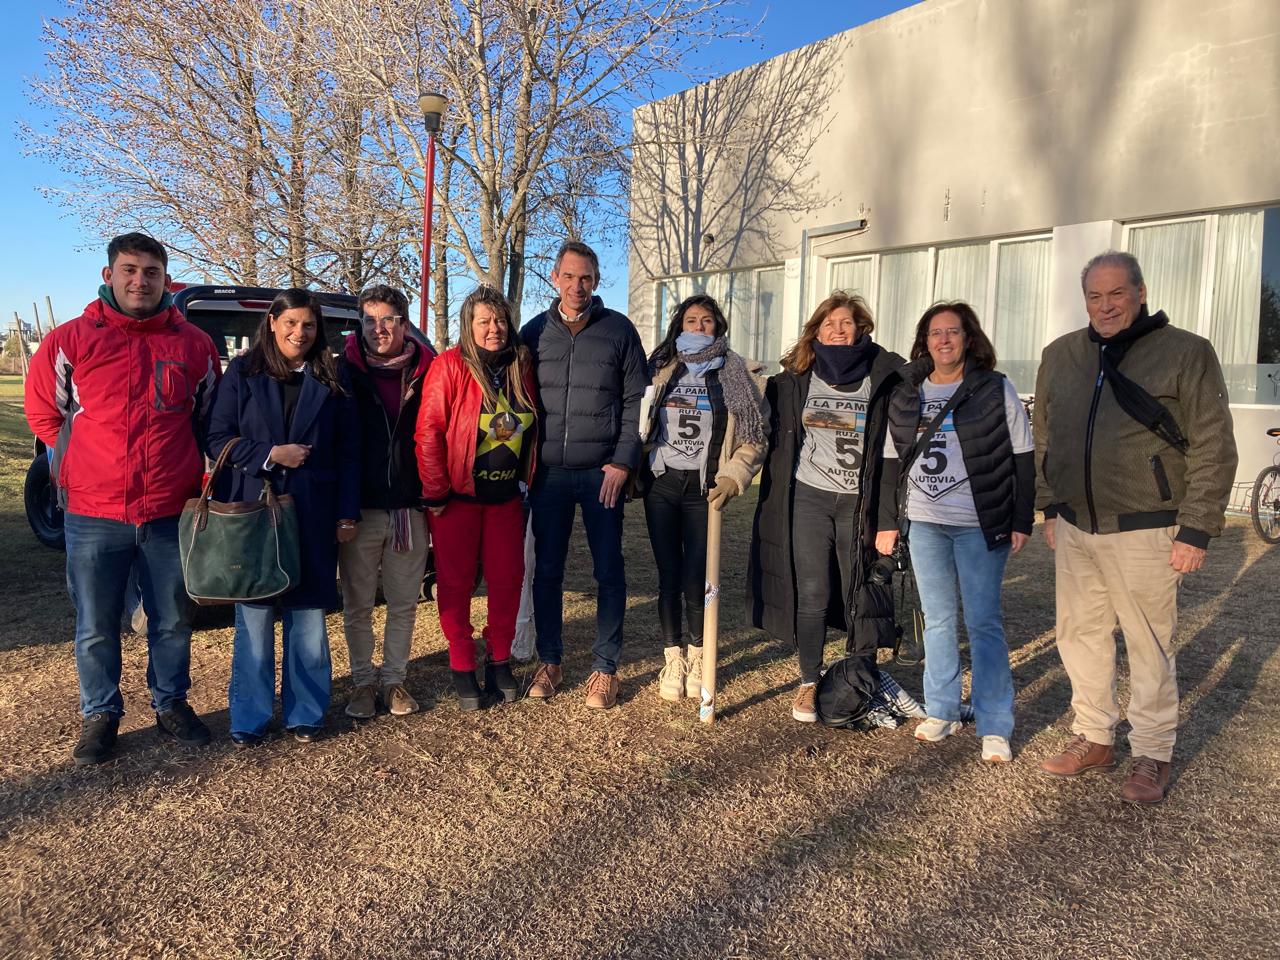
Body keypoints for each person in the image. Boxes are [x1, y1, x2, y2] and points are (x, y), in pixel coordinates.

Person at [1035, 251, 1237, 803]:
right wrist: (1049, 506)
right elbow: (1045, 435)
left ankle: (1151, 751)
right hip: (1076, 526)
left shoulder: (1186, 352)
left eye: (1116, 294)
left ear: (1140, 293)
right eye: (1095, 296)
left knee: (1148, 645)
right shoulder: (1061, 355)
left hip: (1147, 529)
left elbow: (1214, 444)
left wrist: (1196, 527)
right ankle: (1094, 736)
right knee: (1080, 636)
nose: (1105, 306)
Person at [25, 233, 221, 765]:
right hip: (93, 512)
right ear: (108, 274)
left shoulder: (194, 345)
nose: (140, 281)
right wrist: (75, 465)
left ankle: (171, 703)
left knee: (172, 619)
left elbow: (207, 417)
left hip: (169, 510)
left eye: (151, 272)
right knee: (96, 623)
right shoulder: (69, 341)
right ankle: (101, 713)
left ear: (166, 280)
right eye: (130, 270)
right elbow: (44, 413)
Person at [875, 302, 1034, 763]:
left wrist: (1021, 519)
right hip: (925, 522)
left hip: (979, 523)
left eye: (952, 332)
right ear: (924, 341)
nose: (944, 340)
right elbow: (891, 462)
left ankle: (994, 722)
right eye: (935, 333)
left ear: (968, 338)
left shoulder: (995, 388)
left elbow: (1023, 455)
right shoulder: (907, 393)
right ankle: (942, 709)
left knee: (983, 621)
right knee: (938, 618)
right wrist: (887, 522)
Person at [205, 288, 361, 745]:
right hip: (254, 511)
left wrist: (346, 514)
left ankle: (305, 713)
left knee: (308, 619)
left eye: (308, 325)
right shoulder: (243, 372)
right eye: (291, 322)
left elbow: (350, 453)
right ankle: (249, 716)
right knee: (254, 620)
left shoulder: (333, 376)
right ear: (272, 323)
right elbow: (216, 437)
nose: (299, 332)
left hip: (313, 513)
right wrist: (270, 455)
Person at [747, 291, 905, 722]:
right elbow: (758, 425)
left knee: (860, 591)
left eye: (846, 322)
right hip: (810, 497)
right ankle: (809, 680)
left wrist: (888, 519)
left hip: (859, 503)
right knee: (813, 592)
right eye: (829, 323)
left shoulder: (882, 377)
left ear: (860, 329)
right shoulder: (796, 379)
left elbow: (891, 455)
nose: (838, 329)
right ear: (816, 331)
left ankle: (860, 678)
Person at [520, 240, 649, 709]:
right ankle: (550, 661)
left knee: (608, 569)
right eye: (570, 276)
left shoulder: (619, 330)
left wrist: (623, 461)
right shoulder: (533, 333)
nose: (578, 286)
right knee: (547, 571)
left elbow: (637, 401)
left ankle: (605, 668)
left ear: (596, 281)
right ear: (555, 278)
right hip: (548, 474)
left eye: (587, 278)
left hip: (602, 473)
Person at [416, 286, 537, 711]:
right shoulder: (449, 366)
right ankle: (462, 663)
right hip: (457, 500)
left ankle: (499, 660)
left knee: (507, 581)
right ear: (468, 325)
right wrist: (435, 491)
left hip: (506, 499)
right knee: (456, 583)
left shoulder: (520, 366)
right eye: (483, 321)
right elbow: (429, 431)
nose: (493, 328)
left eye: (500, 320)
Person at [641, 294, 767, 701]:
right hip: (662, 484)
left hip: (705, 490)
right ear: (679, 326)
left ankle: (698, 655)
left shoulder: (738, 374)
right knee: (668, 576)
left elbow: (754, 437)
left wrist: (734, 476)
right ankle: (673, 657)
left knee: (697, 577)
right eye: (691, 320)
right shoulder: (661, 368)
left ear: (719, 327)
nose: (699, 327)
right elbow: (639, 417)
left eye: (707, 321)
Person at [339, 284, 434, 720]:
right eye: (370, 320)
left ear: (405, 324)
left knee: (403, 603)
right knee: (358, 604)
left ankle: (394, 680)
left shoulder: (427, 370)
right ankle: (362, 683)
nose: (379, 329)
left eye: (388, 320)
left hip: (408, 507)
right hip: (360, 508)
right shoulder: (344, 370)